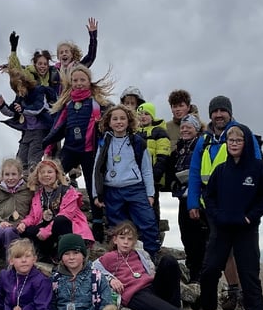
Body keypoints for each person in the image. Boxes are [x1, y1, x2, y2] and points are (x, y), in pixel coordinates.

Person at [93, 221, 242, 310]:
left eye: (130, 239)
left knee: (169, 261)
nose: (126, 242)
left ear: (134, 242)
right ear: (115, 240)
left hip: (151, 288)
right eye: (122, 237)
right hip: (135, 295)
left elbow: (152, 271)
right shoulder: (108, 258)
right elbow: (92, 269)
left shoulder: (138, 254)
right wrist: (110, 278)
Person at [191, 126, 263, 310]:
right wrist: (216, 217)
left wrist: (250, 218)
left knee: (249, 277)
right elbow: (209, 196)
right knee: (209, 270)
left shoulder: (258, 169)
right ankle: (207, 307)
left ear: (247, 142)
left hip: (246, 230)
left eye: (239, 139)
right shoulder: (221, 170)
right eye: (230, 139)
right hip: (222, 229)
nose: (234, 143)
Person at [187, 96, 263, 310]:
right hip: (212, 208)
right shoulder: (204, 140)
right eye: (215, 111)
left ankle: (245, 298)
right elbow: (195, 173)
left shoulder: (242, 135)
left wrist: (253, 209)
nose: (219, 114)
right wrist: (193, 202)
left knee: (241, 253)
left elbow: (257, 170)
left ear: (229, 113)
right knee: (219, 255)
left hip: (241, 208)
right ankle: (232, 292)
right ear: (210, 114)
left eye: (223, 110)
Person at [42, 64, 113, 241]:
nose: (79, 83)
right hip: (70, 150)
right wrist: (47, 144)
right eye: (75, 80)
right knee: (51, 176)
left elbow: (109, 125)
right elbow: (58, 128)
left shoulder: (99, 104)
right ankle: (46, 213)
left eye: (83, 80)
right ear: (70, 83)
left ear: (89, 82)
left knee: (93, 186)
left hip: (90, 151)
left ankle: (97, 223)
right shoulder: (67, 104)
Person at [92, 105, 161, 259]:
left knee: (148, 223)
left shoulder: (138, 142)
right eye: (114, 119)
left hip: (135, 189)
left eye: (122, 118)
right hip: (112, 190)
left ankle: (150, 258)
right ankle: (122, 260)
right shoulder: (104, 142)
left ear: (129, 121)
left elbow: (147, 170)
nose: (119, 122)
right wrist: (97, 194)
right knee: (118, 228)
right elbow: (97, 169)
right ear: (108, 122)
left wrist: (150, 193)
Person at [16, 159, 93, 261]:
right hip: (48, 226)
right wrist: (24, 223)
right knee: (27, 230)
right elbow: (33, 216)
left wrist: (47, 231)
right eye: (42, 172)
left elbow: (67, 214)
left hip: (67, 227)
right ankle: (45, 252)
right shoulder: (38, 195)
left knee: (60, 220)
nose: (46, 175)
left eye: (49, 172)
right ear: (37, 176)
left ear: (56, 174)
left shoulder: (68, 190)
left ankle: (61, 251)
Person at [164, 114, 208, 283]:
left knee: (200, 238)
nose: (184, 129)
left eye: (189, 126)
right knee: (187, 237)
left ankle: (202, 276)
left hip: (200, 198)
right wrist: (174, 183)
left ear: (197, 129)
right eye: (182, 127)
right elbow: (170, 173)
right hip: (183, 198)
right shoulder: (178, 150)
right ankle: (193, 274)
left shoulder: (203, 144)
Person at [0, 69, 53, 173]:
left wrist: (23, 109)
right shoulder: (20, 96)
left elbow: (38, 108)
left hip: (40, 130)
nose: (19, 93)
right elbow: (12, 112)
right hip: (27, 132)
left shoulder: (38, 91)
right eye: (16, 91)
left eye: (20, 89)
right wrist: (2, 106)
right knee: (20, 161)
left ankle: (34, 182)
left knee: (33, 159)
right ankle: (22, 182)